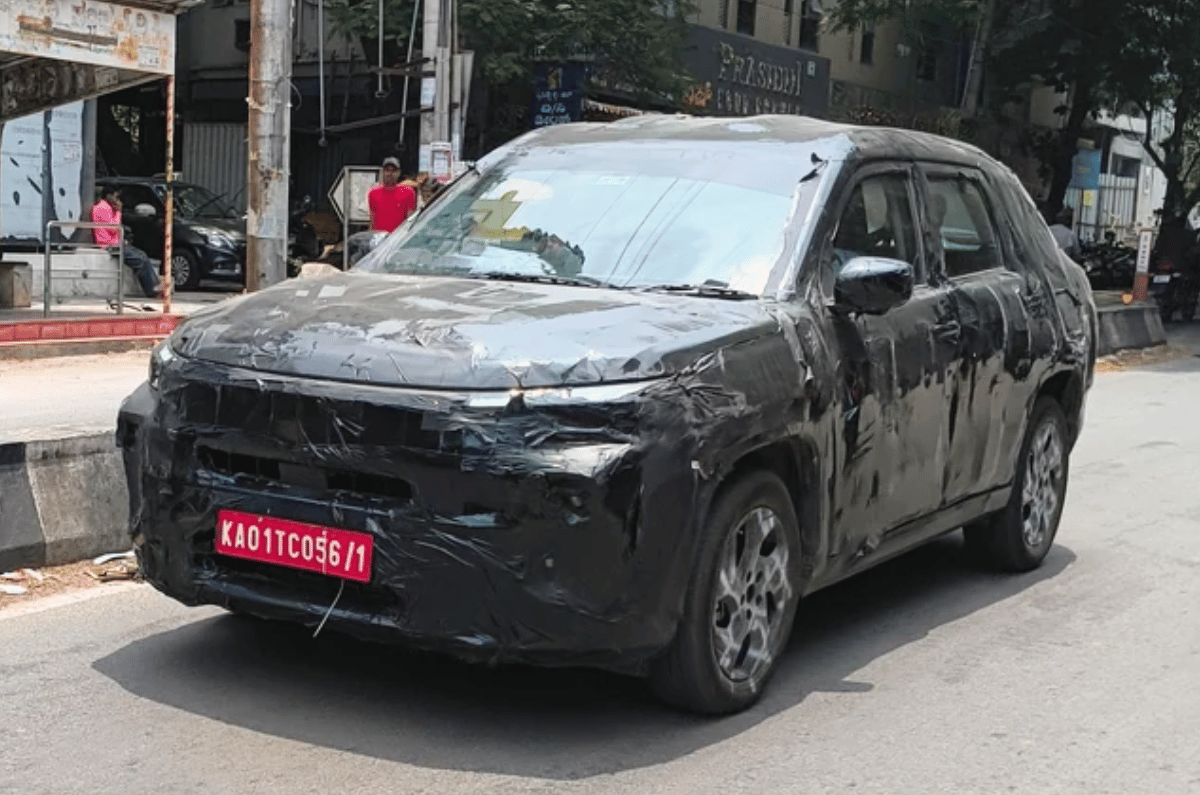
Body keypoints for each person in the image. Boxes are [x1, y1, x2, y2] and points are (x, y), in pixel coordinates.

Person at [346, 157, 419, 266]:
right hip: (378, 242)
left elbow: (410, 221)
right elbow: (372, 220)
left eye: (393, 170)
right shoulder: (373, 193)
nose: (389, 173)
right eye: (387, 170)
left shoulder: (408, 193)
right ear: (382, 172)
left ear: (398, 173)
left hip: (397, 241)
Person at [91, 186, 162, 298]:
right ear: (109, 195)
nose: (117, 199)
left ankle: (155, 285)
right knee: (140, 260)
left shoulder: (107, 207)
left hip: (114, 242)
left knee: (143, 255)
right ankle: (151, 289)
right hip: (108, 244)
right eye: (116, 196)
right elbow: (114, 228)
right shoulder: (102, 208)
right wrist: (118, 212)